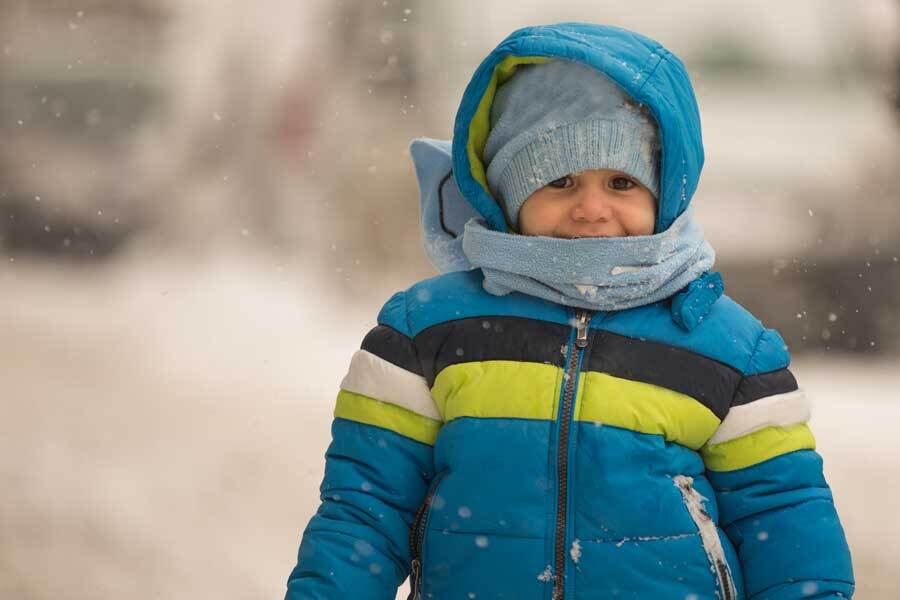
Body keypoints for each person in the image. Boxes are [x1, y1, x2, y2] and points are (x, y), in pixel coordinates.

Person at [284, 23, 855, 599]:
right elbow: (363, 510)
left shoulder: (728, 350)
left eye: (620, 181)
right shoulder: (427, 332)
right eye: (559, 181)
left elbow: (783, 520)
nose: (592, 208)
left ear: (663, 192)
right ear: (507, 192)